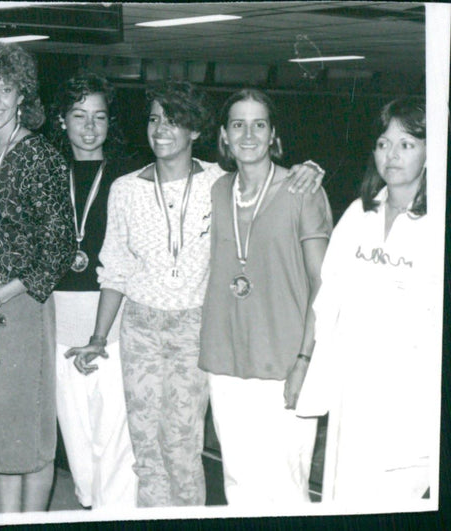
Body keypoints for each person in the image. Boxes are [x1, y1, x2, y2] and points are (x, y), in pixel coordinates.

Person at [65, 81, 324, 507]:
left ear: (197, 131)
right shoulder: (126, 188)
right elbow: (115, 269)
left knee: (182, 450)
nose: (161, 130)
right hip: (141, 329)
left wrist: (308, 168)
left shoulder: (220, 182)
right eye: (153, 120)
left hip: (195, 328)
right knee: (145, 451)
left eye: (173, 120)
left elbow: (266, 177)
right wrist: (98, 337)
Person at [0, 43, 76, 513]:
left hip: (21, 304)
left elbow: (59, 248)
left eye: (6, 89)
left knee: (32, 429)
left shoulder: (41, 155)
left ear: (23, 94)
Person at [199, 88, 332, 505]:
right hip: (225, 360)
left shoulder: (302, 189)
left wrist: (306, 360)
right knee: (238, 481)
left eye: (259, 124)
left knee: (285, 487)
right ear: (224, 134)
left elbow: (324, 284)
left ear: (273, 133)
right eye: (238, 124)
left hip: (285, 359)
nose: (249, 134)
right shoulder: (216, 189)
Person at [296, 97, 432, 503]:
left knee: (396, 498)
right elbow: (328, 295)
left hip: (411, 393)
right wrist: (308, 363)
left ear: (431, 151)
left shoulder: (436, 220)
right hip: (353, 389)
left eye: (406, 144)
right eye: (383, 143)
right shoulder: (359, 213)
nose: (391, 155)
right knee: (343, 495)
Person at [47, 72, 142, 509]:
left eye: (99, 116)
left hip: (114, 317)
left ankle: (114, 511)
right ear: (62, 121)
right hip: (58, 317)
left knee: (116, 437)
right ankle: (91, 505)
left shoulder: (132, 175)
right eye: (79, 116)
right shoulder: (46, 174)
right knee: (78, 438)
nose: (89, 127)